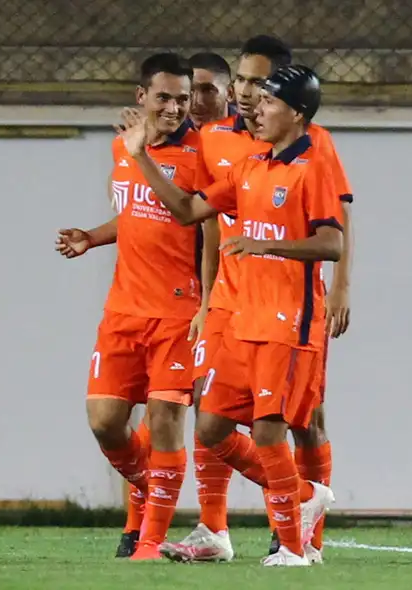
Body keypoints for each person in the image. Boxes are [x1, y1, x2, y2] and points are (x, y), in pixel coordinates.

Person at [116, 64, 340, 567]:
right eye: (257, 101)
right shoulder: (250, 166)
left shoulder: (314, 166)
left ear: (297, 114)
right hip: (241, 318)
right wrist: (142, 157)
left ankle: (293, 547)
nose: (257, 109)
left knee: (270, 430)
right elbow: (188, 210)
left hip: (288, 320)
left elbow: (333, 242)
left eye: (270, 103)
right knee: (212, 426)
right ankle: (303, 496)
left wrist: (266, 244)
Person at [56, 53, 206, 561]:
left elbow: (188, 216)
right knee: (104, 420)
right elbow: (137, 213)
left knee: (165, 417)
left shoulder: (199, 153)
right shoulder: (122, 147)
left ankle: (151, 540)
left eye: (182, 99)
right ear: (141, 96)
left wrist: (142, 153)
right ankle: (151, 487)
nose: (174, 107)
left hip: (178, 310)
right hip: (123, 309)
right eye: (163, 97)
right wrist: (92, 237)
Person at [115, 50, 236, 558]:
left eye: (207, 92)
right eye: (192, 92)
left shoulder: (228, 148)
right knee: (169, 417)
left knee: (214, 419)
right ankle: (139, 526)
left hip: (227, 298)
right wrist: (94, 236)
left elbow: (202, 223)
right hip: (175, 301)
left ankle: (274, 509)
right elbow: (142, 214)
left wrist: (209, 301)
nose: (195, 102)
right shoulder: (154, 144)